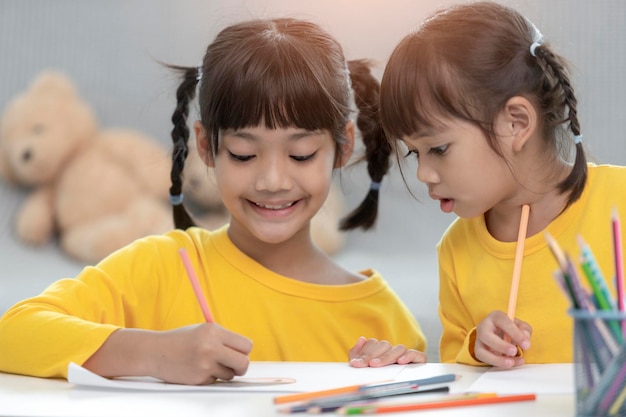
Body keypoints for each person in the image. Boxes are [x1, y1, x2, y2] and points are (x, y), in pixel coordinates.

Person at [0, 18, 426, 385]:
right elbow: (13, 334)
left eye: (301, 155)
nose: (273, 180)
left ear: (342, 144)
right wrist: (152, 353)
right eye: (243, 154)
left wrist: (402, 379)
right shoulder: (162, 268)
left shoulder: (382, 319)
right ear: (206, 146)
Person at [378, 1, 626, 368]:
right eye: (415, 154)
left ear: (516, 123)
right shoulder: (455, 252)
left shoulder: (619, 200)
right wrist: (478, 347)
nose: (423, 174)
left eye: (439, 148)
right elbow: (456, 372)